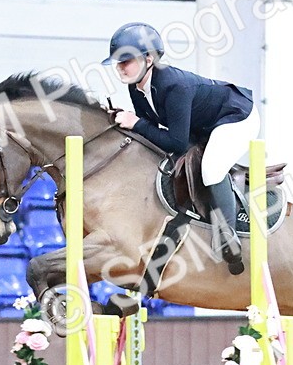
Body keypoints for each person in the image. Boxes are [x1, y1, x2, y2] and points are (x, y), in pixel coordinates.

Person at [102, 22, 257, 275]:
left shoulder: (173, 85)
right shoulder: (137, 88)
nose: (120, 67)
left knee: (211, 168)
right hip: (203, 126)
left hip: (236, 117)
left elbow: (174, 141)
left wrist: (136, 122)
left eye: (126, 60)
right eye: (118, 62)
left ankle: (228, 237)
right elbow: (152, 130)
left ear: (149, 59)